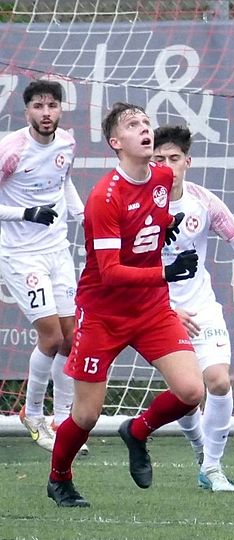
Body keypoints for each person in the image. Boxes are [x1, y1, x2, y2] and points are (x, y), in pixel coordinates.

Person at [46, 102, 204, 507]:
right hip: (103, 313)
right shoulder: (104, 197)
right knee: (85, 415)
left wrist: (164, 226)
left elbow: (158, 212)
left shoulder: (164, 176)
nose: (145, 129)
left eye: (147, 123)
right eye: (133, 125)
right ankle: (59, 478)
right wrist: (165, 273)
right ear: (116, 142)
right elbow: (112, 272)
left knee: (191, 390)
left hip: (151, 309)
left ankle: (138, 430)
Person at [152, 125, 234, 492]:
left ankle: (212, 466)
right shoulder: (137, 205)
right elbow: (120, 266)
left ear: (187, 162)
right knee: (187, 394)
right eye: (159, 159)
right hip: (158, 312)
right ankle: (199, 448)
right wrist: (167, 309)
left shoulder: (203, 201)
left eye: (174, 159)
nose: (167, 166)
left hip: (202, 307)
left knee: (218, 381)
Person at [0, 80, 86, 454]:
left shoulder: (67, 143)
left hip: (57, 251)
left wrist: (86, 216)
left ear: (60, 110)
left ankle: (63, 418)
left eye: (52, 106)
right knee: (50, 338)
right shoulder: (11, 150)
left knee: (71, 338)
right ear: (27, 112)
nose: (46, 113)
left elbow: (63, 183)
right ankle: (32, 413)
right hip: (20, 255)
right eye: (38, 106)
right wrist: (25, 213)